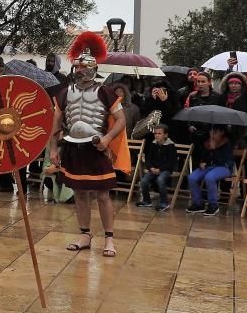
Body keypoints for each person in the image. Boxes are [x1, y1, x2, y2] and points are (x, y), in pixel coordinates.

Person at [49, 32, 130, 258]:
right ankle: (84, 235)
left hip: (97, 148)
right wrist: (54, 149)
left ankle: (109, 239)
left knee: (103, 195)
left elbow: (122, 120)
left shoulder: (106, 92)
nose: (82, 71)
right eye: (79, 67)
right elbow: (55, 123)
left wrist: (107, 139)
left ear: (94, 69)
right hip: (73, 148)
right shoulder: (64, 93)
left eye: (86, 67)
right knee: (79, 193)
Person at [186, 126, 235, 216]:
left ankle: (213, 205)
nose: (212, 134)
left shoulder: (227, 143)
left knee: (209, 177)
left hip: (224, 167)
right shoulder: (208, 142)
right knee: (192, 177)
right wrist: (202, 162)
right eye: (211, 132)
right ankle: (198, 204)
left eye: (215, 132)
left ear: (222, 132)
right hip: (209, 167)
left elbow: (224, 161)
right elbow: (204, 157)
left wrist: (214, 149)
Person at [137, 124, 177, 211]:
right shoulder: (153, 144)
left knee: (160, 179)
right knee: (144, 181)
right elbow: (148, 159)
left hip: (165, 169)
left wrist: (160, 169)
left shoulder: (170, 146)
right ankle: (146, 201)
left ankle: (164, 202)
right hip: (153, 169)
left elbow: (171, 162)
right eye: (155, 134)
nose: (157, 135)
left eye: (159, 133)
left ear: (165, 135)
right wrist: (151, 168)